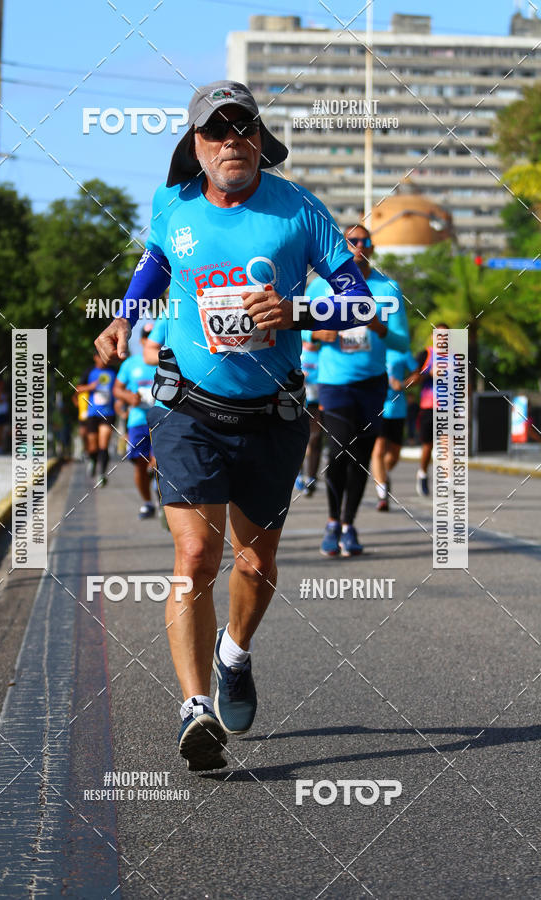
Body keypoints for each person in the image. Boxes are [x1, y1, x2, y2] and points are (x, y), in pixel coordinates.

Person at [94, 80, 381, 771]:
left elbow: (361, 303)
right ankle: (195, 708)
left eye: (243, 128)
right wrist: (123, 318)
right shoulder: (172, 204)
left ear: (260, 139)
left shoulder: (299, 209)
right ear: (195, 145)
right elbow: (155, 265)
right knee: (196, 555)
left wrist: (298, 312)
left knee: (255, 562)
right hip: (187, 407)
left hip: (272, 413)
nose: (231, 142)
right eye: (216, 131)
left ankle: (235, 652)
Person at [307, 224, 409, 557]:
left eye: (364, 241)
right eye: (351, 241)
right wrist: (315, 335)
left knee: (362, 457)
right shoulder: (320, 287)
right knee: (338, 450)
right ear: (342, 246)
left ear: (372, 248)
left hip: (372, 384)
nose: (358, 246)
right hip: (334, 383)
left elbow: (402, 343)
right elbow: (295, 329)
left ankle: (348, 525)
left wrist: (380, 328)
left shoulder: (387, 289)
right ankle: (332, 522)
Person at [113, 323, 158, 519]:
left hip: (162, 419)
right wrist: (129, 397)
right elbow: (117, 389)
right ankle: (148, 503)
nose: (151, 340)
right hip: (138, 420)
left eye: (154, 336)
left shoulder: (167, 361)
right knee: (140, 463)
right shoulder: (130, 364)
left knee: (158, 460)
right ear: (141, 341)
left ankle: (164, 498)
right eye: (147, 336)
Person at [371, 348, 419, 511]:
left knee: (394, 455)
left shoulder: (402, 350)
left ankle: (381, 475)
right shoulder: (373, 346)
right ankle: (382, 494)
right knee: (378, 450)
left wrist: (404, 384)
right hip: (377, 407)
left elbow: (417, 375)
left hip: (397, 409)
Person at [415, 322, 449, 497]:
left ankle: (446, 481)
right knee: (428, 446)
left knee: (446, 444)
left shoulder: (455, 358)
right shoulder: (426, 355)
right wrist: (428, 374)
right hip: (428, 407)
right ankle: (422, 473)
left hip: (448, 408)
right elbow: (413, 378)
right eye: (439, 335)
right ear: (433, 337)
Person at [76, 353, 117, 486]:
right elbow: (78, 389)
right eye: (100, 356)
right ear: (95, 357)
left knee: (103, 444)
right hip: (92, 413)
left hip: (108, 413)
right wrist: (90, 387)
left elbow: (119, 388)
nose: (103, 359)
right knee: (93, 446)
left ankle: (102, 474)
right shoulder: (89, 372)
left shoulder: (113, 372)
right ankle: (92, 459)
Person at [295, 330, 322, 496]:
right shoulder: (298, 353)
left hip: (317, 403)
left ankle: (312, 477)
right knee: (300, 440)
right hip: (299, 401)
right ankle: (298, 474)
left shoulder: (322, 354)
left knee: (315, 440)